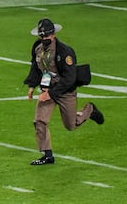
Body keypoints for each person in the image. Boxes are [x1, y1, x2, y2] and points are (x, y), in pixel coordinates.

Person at [24, 18, 104, 166]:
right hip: (48, 88)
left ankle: (90, 110)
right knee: (40, 121)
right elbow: (35, 66)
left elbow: (69, 78)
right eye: (42, 36)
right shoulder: (37, 48)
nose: (44, 39)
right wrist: (31, 85)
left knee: (71, 125)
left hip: (65, 91)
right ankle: (47, 155)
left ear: (53, 34)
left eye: (46, 36)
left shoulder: (65, 52)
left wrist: (51, 94)